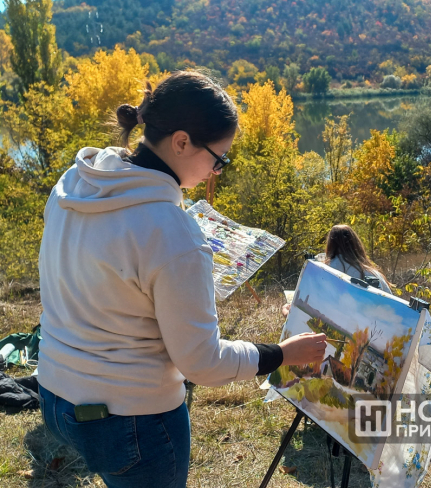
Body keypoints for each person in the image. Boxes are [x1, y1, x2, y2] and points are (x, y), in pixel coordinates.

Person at [37, 70, 326, 488]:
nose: (217, 171)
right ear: (181, 142)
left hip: (55, 395)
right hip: (130, 421)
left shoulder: (72, 184)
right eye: (218, 158)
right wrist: (281, 353)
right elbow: (203, 363)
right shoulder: (172, 233)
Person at [281, 224, 392, 317]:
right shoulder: (374, 274)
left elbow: (305, 311)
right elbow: (392, 306)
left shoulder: (321, 271)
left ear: (330, 244)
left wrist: (287, 312)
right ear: (356, 245)